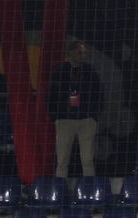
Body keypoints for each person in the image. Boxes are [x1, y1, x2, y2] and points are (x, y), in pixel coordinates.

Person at [47, 40, 103, 178]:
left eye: (84, 53)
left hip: (86, 119)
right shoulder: (60, 71)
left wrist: (94, 117)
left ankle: (89, 193)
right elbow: (50, 96)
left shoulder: (89, 71)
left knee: (88, 160)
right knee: (62, 160)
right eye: (80, 53)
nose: (83, 56)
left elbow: (100, 94)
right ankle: (59, 194)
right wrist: (55, 117)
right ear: (70, 54)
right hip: (65, 120)